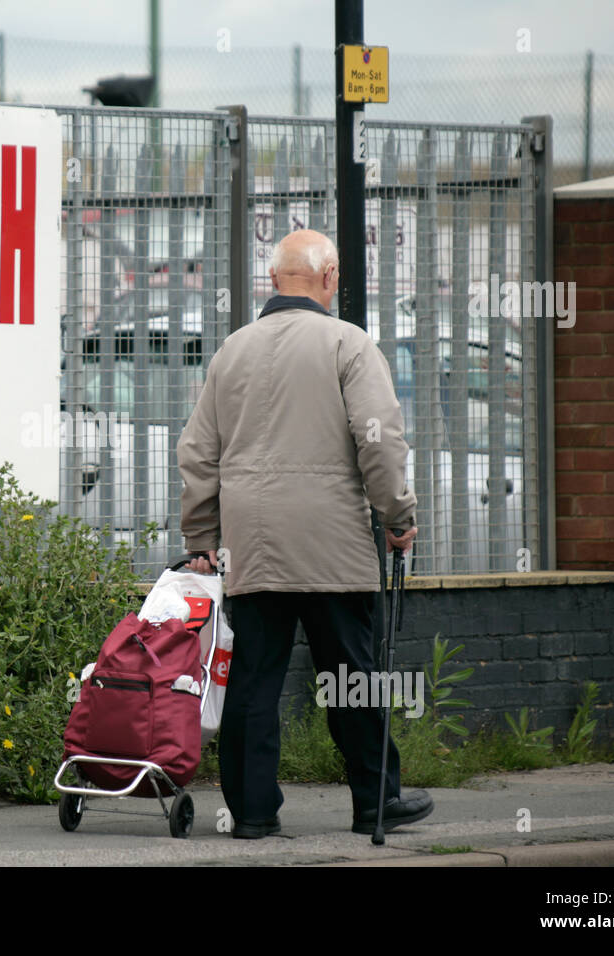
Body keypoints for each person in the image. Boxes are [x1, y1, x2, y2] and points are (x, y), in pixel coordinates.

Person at [177, 228, 431, 839]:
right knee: (350, 676)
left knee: (254, 680)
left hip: (252, 544)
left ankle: (252, 812)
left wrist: (201, 536)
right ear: (331, 277)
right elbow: (378, 439)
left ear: (272, 281)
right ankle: (376, 801)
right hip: (332, 545)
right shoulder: (348, 343)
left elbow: (197, 454)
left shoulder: (231, 352)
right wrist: (397, 515)